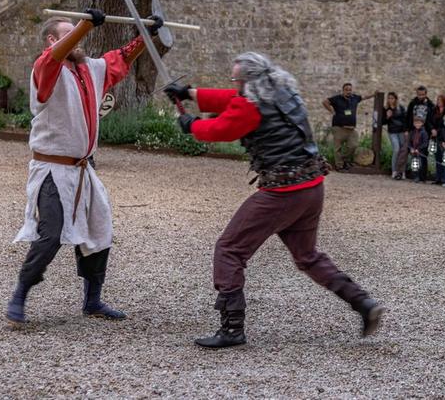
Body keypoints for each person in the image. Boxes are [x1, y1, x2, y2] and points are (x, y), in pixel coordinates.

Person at [166, 52, 384, 348]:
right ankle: (363, 303)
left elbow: (221, 128)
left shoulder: (252, 106)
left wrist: (190, 125)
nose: (237, 85)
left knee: (229, 249)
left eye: (238, 80)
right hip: (311, 188)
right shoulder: (282, 91)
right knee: (308, 257)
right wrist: (189, 93)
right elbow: (232, 98)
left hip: (283, 193)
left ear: (249, 81)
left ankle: (232, 329)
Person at [6, 11, 164, 324]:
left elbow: (121, 58)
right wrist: (86, 24)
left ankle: (93, 301)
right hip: (52, 169)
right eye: (72, 33)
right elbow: (56, 56)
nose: (81, 39)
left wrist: (150, 35)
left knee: (100, 229)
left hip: (82, 171)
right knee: (50, 235)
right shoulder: (45, 67)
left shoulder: (90, 68)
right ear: (55, 39)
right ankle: (20, 295)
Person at [322, 83, 373, 171]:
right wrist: (331, 111)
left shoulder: (355, 98)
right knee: (337, 148)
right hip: (338, 127)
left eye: (350, 89)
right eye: (346, 89)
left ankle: (343, 160)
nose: (348, 91)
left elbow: (364, 97)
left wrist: (374, 94)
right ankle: (339, 166)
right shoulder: (337, 98)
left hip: (351, 129)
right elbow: (325, 102)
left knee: (353, 145)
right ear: (343, 90)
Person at [382, 92, 408, 180]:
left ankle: (402, 171)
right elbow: (382, 122)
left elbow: (405, 120)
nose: (390, 100)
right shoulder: (385, 109)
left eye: (392, 98)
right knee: (396, 149)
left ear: (395, 99)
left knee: (403, 151)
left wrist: (405, 131)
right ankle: (394, 171)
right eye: (389, 98)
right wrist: (387, 117)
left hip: (401, 131)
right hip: (392, 132)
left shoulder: (400, 108)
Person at [432, 94, 445, 185]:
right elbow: (430, 121)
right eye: (438, 100)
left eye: (440, 100)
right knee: (437, 157)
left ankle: (444, 178)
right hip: (435, 136)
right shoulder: (434, 110)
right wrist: (432, 129)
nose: (438, 102)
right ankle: (438, 177)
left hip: (444, 136)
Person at [408, 115, 430, 183]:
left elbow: (425, 143)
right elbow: (409, 142)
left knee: (422, 164)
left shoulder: (424, 132)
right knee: (414, 164)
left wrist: (419, 149)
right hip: (414, 151)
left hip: (421, 152)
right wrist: (411, 148)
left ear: (422, 123)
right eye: (416, 123)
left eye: (419, 123)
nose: (417, 124)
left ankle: (422, 178)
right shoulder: (412, 132)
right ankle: (415, 177)